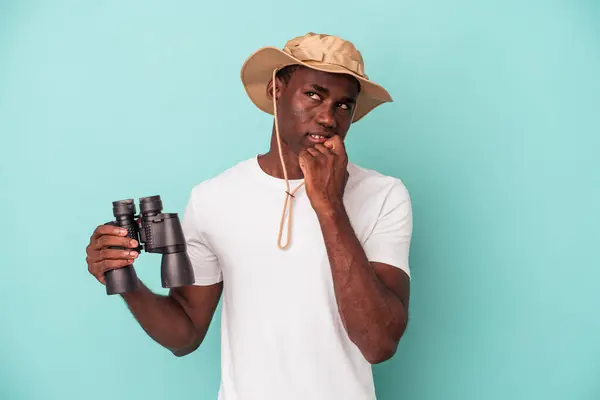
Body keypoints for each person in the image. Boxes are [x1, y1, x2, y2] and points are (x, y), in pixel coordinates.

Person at [85, 32, 413, 400]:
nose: (328, 117)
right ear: (276, 90)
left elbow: (380, 344)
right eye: (314, 95)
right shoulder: (214, 198)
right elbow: (186, 332)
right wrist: (124, 280)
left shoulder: (384, 195)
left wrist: (330, 206)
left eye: (343, 106)